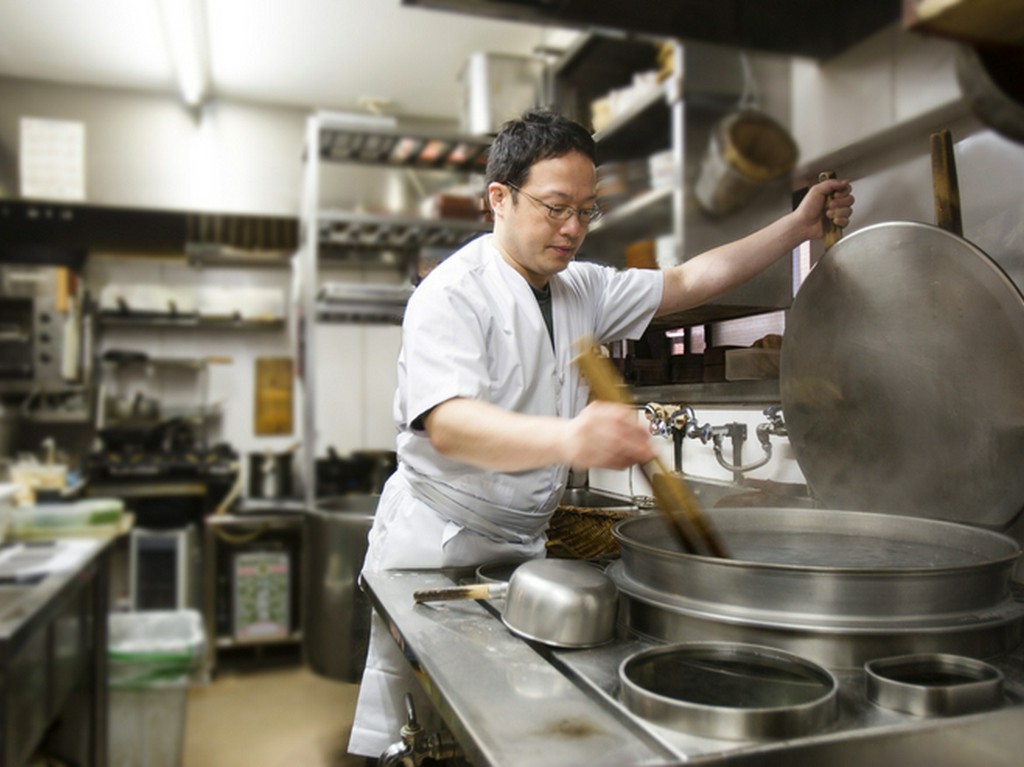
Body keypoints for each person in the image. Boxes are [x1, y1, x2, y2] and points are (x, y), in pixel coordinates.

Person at [347, 108, 854, 758]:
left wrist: (798, 226)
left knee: (498, 724)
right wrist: (570, 441)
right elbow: (448, 424)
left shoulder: (580, 287)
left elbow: (690, 280)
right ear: (498, 198)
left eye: (587, 211)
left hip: (519, 551)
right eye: (557, 207)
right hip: (432, 546)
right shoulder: (451, 296)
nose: (573, 229)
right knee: (414, 726)